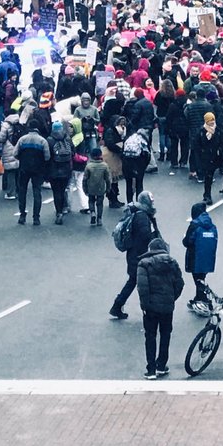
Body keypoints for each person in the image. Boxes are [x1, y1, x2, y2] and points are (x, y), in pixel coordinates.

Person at [136, 237, 185, 378]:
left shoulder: (144, 264)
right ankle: (161, 365)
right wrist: (171, 298)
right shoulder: (172, 262)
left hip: (150, 307)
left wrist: (145, 305)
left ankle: (151, 369)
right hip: (167, 306)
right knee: (165, 334)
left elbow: (142, 288)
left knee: (150, 336)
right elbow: (180, 284)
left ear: (150, 249)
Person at [109, 190, 159, 320]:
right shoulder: (142, 216)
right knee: (143, 282)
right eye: (151, 201)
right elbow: (146, 235)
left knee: (134, 281)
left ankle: (118, 306)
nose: (153, 203)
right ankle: (147, 309)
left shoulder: (139, 213)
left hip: (135, 254)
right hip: (140, 255)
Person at [182, 200, 218, 308]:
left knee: (198, 281)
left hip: (195, 258)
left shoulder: (194, 225)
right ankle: (198, 299)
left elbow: (187, 242)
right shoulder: (212, 226)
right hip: (208, 259)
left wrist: (185, 237)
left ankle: (205, 301)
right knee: (201, 279)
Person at [15, 122, 50, 226]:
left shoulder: (22, 139)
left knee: (22, 191)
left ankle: (22, 215)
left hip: (24, 168)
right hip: (38, 169)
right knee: (37, 192)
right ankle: (36, 217)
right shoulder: (42, 141)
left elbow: (15, 153)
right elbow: (47, 156)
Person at [47, 119, 73, 224]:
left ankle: (59, 212)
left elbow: (47, 156)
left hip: (54, 170)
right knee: (62, 190)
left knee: (56, 191)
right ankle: (64, 208)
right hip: (66, 169)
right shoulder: (67, 139)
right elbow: (73, 152)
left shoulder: (49, 140)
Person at [196, 111, 223, 203]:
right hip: (206, 157)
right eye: (209, 120)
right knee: (208, 176)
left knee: (210, 176)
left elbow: (222, 142)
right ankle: (207, 195)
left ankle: (207, 194)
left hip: (216, 156)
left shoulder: (218, 130)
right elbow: (197, 145)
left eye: (213, 120)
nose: (212, 122)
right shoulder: (201, 131)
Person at [82, 145, 110, 225]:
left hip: (91, 188)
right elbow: (108, 179)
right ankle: (99, 218)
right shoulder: (104, 166)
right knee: (100, 203)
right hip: (101, 188)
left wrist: (85, 189)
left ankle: (93, 213)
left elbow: (85, 179)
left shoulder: (88, 166)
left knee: (91, 201)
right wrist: (108, 188)